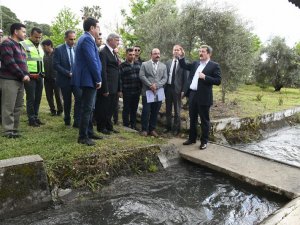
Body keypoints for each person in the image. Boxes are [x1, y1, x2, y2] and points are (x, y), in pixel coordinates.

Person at [179, 45, 221, 150]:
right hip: (193, 95)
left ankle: (204, 141)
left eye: (203, 51)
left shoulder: (214, 65)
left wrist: (205, 77)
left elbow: (218, 81)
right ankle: (192, 139)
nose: (200, 53)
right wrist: (181, 57)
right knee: (192, 118)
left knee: (204, 120)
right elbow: (184, 65)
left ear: (209, 54)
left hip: (204, 97)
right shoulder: (195, 63)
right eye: (199, 51)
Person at [71, 17, 102, 146]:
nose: (99, 30)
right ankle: (83, 136)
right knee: (87, 108)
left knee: (90, 107)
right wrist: (98, 78)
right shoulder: (87, 39)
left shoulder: (87, 39)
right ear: (92, 28)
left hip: (88, 78)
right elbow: (92, 61)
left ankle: (89, 131)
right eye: (98, 27)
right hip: (88, 79)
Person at [0, 23, 30, 138]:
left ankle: (14, 129)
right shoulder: (7, 43)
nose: (25, 34)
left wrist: (26, 74)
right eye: (23, 31)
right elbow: (10, 62)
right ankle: (8, 131)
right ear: (16, 32)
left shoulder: (20, 46)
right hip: (9, 80)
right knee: (8, 106)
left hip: (20, 80)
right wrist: (22, 75)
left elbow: (24, 63)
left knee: (18, 106)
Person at [54, 30, 81, 128]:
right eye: (70, 39)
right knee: (67, 100)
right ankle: (67, 119)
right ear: (65, 38)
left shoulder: (76, 49)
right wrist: (67, 73)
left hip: (76, 79)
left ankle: (77, 121)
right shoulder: (58, 49)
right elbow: (56, 65)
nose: (73, 41)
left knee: (79, 98)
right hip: (65, 79)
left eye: (74, 39)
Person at [95, 33, 121, 135]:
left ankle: (109, 126)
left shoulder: (114, 53)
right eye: (116, 40)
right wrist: (104, 88)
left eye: (118, 40)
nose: (118, 42)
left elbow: (117, 71)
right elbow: (103, 71)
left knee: (112, 107)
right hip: (107, 86)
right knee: (103, 107)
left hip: (114, 86)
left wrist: (119, 88)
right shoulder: (103, 52)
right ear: (110, 40)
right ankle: (101, 127)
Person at [139, 48, 167, 137]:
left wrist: (157, 85)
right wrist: (150, 85)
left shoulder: (163, 66)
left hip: (158, 92)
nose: (157, 55)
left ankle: (152, 129)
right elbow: (141, 75)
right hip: (147, 91)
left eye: (158, 53)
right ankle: (144, 129)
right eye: (155, 53)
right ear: (151, 55)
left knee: (155, 111)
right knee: (146, 111)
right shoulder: (144, 64)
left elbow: (165, 78)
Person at [21, 27, 45, 127]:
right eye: (36, 37)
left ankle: (35, 116)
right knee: (31, 98)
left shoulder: (39, 46)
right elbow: (22, 61)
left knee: (38, 98)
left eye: (40, 37)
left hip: (40, 75)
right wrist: (27, 74)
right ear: (30, 34)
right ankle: (31, 119)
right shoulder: (23, 44)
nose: (38, 39)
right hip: (30, 76)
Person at [164, 44, 187, 136]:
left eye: (178, 50)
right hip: (168, 88)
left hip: (178, 89)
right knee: (168, 109)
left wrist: (184, 91)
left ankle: (176, 129)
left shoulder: (184, 63)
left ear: (181, 52)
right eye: (174, 50)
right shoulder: (168, 62)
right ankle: (168, 127)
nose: (176, 51)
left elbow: (186, 78)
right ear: (172, 51)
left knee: (177, 110)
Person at [119, 48, 142, 130]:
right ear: (126, 55)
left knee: (134, 108)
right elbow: (120, 79)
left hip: (137, 90)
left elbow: (141, 77)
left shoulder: (138, 64)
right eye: (130, 55)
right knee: (126, 108)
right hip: (127, 90)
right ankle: (126, 124)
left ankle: (133, 124)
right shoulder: (122, 66)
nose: (132, 56)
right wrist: (120, 90)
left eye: (133, 55)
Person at [41, 39, 63, 116]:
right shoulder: (44, 55)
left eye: (44, 46)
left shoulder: (57, 53)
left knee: (58, 96)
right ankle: (52, 110)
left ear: (49, 45)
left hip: (56, 79)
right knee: (49, 96)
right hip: (47, 79)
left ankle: (60, 111)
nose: (43, 48)